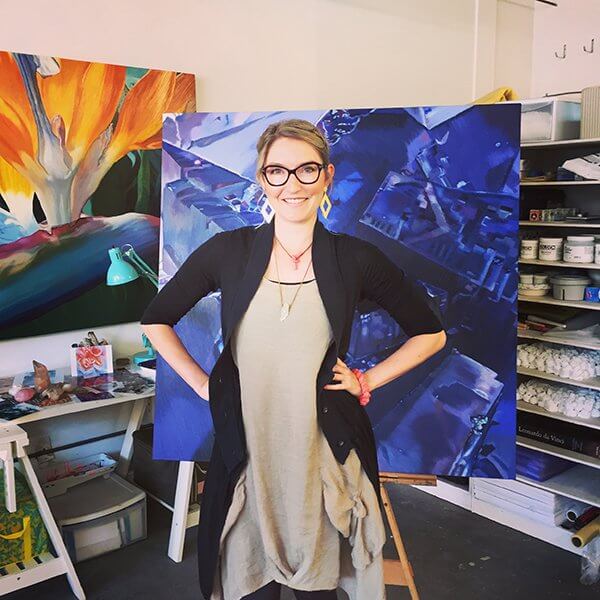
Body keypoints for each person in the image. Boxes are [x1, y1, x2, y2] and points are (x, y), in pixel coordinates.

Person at [141, 119, 446, 600]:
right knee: (251, 582)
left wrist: (368, 379)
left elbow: (431, 334)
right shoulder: (230, 252)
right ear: (263, 179)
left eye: (306, 170)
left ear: (326, 176)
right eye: (277, 171)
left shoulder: (355, 258)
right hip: (248, 452)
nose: (292, 184)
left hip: (319, 456)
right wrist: (205, 386)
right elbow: (156, 319)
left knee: (317, 587)